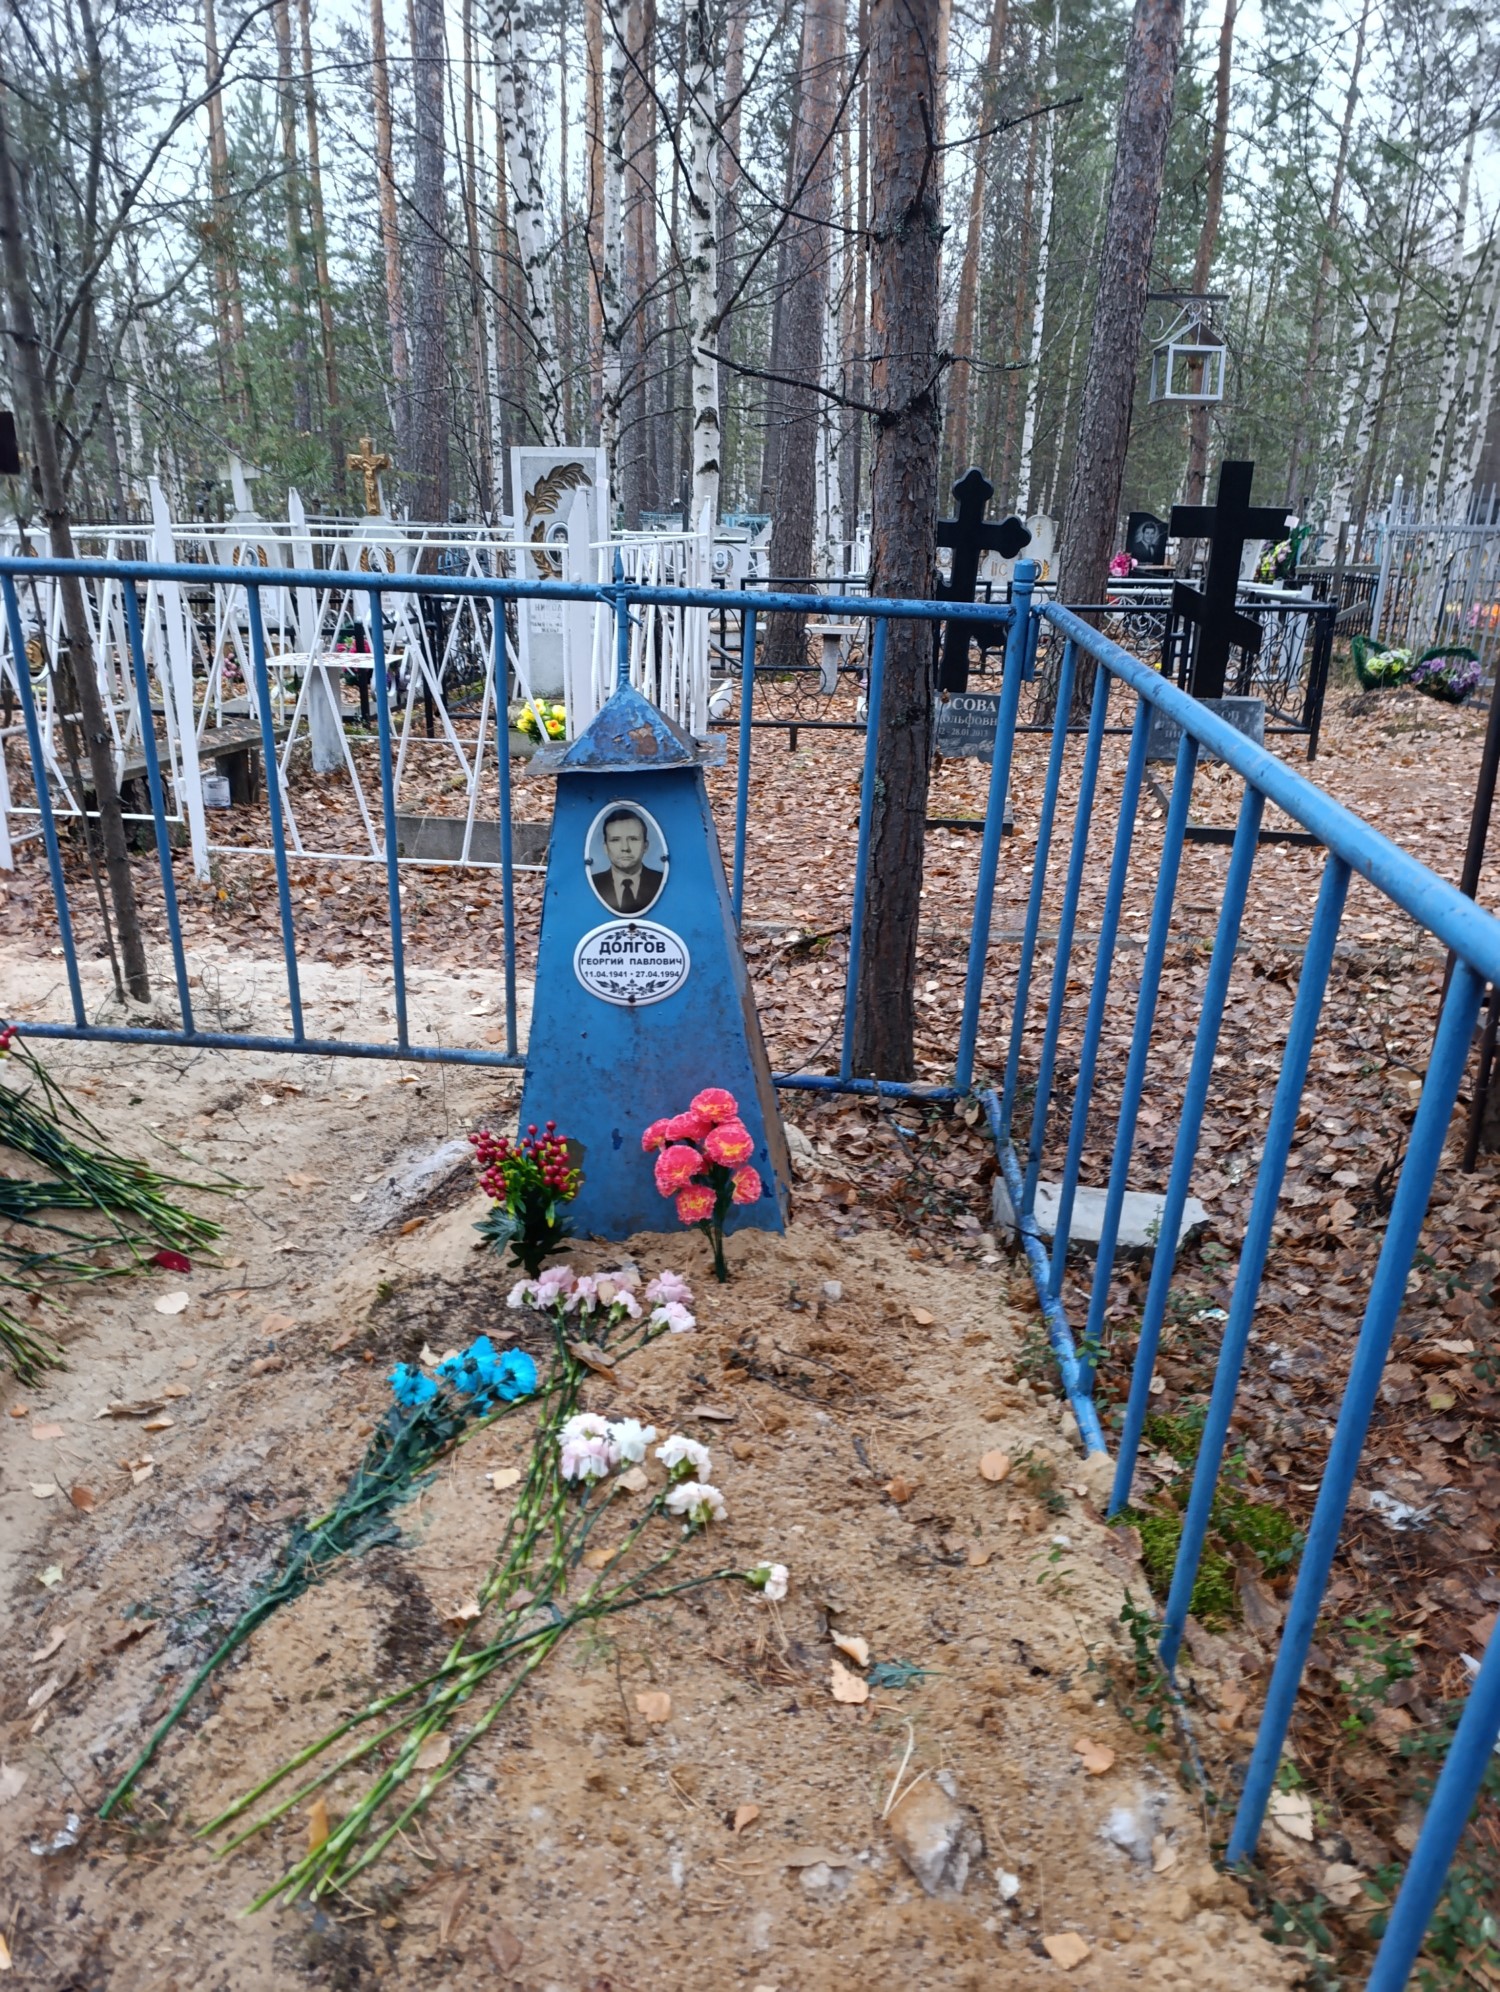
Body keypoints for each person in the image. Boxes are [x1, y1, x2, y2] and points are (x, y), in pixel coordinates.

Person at [590, 807, 664, 914]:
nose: (625, 848)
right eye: (615, 840)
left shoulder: (661, 882)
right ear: (605, 847)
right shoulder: (593, 884)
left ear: (645, 846)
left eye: (633, 839)